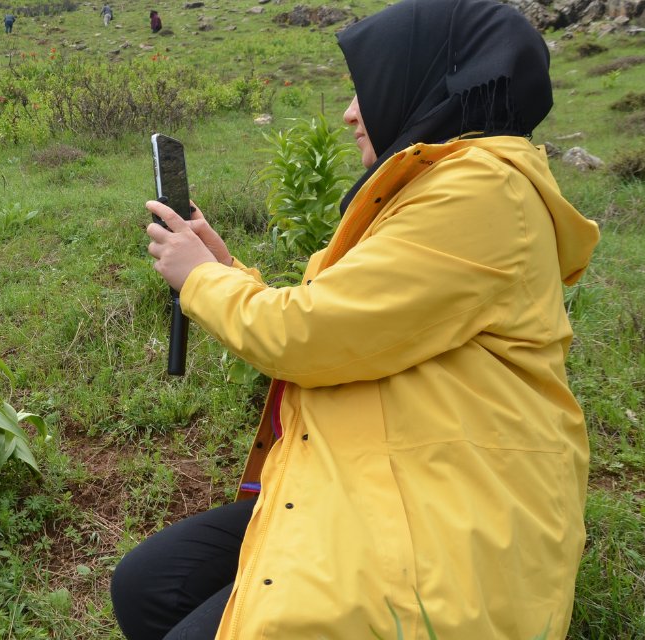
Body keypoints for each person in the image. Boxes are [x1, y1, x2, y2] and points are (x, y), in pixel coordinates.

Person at [114, 0, 601, 637]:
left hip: (443, 508)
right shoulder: (437, 186)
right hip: (377, 466)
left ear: (425, 81)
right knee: (149, 585)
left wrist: (201, 280)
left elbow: (309, 335)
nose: (349, 112)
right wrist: (229, 269)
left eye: (364, 88)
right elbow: (352, 316)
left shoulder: (481, 192)